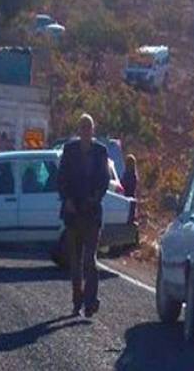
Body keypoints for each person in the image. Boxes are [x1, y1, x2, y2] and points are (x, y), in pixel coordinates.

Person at [58, 113, 110, 318]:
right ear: (78, 130)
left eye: (88, 128)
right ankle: (76, 301)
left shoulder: (101, 151)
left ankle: (90, 301)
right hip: (73, 213)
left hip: (91, 213)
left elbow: (104, 180)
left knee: (90, 259)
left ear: (93, 130)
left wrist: (95, 197)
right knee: (75, 260)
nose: (85, 132)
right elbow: (61, 178)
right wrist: (67, 199)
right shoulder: (69, 150)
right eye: (82, 128)